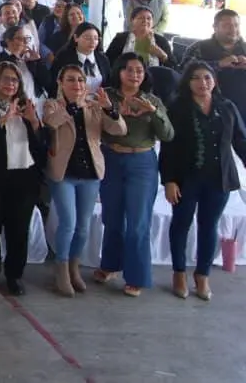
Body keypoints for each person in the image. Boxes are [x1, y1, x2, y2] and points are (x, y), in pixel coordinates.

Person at [160, 62, 246, 301]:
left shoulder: (226, 107)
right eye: (196, 78)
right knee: (181, 225)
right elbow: (168, 148)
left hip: (219, 179)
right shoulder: (177, 108)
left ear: (214, 81)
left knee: (209, 227)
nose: (202, 83)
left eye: (207, 78)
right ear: (188, 83)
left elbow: (241, 141)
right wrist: (169, 180)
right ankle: (179, 273)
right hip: (185, 179)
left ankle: (202, 276)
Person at [92, 52, 172, 297]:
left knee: (138, 222)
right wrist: (110, 111)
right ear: (119, 72)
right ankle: (110, 264)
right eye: (129, 70)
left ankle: (136, 276)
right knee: (112, 217)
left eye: (139, 70)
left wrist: (153, 113)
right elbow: (95, 127)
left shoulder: (152, 100)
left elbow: (168, 134)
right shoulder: (106, 95)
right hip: (112, 158)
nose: (135, 75)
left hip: (142, 162)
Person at [42, 63, 125, 297]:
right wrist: (72, 106)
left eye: (80, 80)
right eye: (71, 80)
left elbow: (119, 130)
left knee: (83, 225)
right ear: (61, 83)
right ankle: (61, 268)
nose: (77, 85)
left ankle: (73, 265)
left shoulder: (95, 107)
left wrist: (109, 109)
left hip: (90, 173)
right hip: (63, 173)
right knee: (68, 222)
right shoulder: (52, 105)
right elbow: (51, 122)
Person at [0, 61, 44, 295]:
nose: (10, 84)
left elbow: (41, 144)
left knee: (18, 229)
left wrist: (34, 121)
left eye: (14, 80)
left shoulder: (26, 105)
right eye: (5, 79)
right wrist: (5, 118)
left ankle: (15, 275)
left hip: (23, 176)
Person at [104, 6, 173, 68]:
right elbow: (107, 62)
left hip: (154, 79)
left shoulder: (161, 41)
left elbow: (174, 67)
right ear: (132, 20)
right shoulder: (121, 38)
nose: (145, 21)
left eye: (149, 18)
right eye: (141, 18)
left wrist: (162, 55)